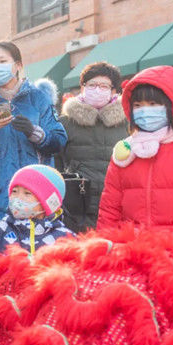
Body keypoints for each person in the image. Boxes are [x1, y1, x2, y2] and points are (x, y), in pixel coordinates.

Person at [0, 41, 67, 221]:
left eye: (2, 61)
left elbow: (59, 141)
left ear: (18, 65)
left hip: (35, 195)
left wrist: (35, 133)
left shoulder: (38, 97)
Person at [98, 66, 173, 231]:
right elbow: (109, 209)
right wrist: (105, 246)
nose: (145, 111)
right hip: (133, 249)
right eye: (138, 105)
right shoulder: (126, 151)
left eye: (153, 104)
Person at [58, 62, 127, 231]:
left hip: (118, 206)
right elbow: (57, 162)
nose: (97, 90)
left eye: (103, 86)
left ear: (113, 91)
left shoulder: (127, 122)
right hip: (78, 206)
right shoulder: (66, 122)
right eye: (92, 85)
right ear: (82, 88)